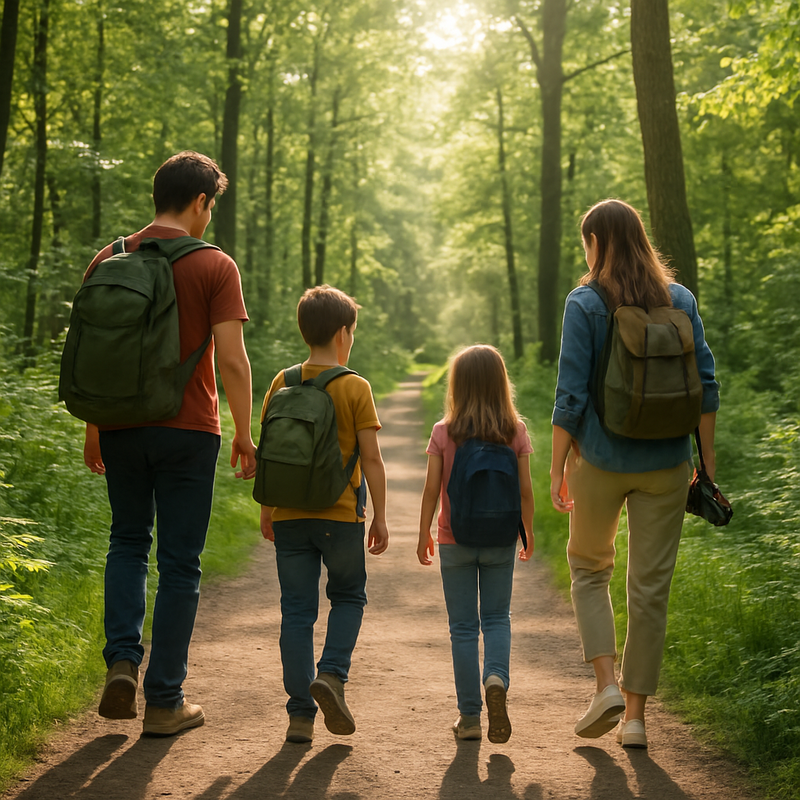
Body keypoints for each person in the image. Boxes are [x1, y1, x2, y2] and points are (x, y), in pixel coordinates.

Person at [82, 151, 256, 736]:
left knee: (128, 542)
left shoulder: (110, 257)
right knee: (179, 563)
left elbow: (95, 356)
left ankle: (123, 662)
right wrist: (245, 433)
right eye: (213, 206)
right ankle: (164, 701)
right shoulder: (214, 265)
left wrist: (94, 427)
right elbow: (231, 359)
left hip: (121, 426)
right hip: (188, 431)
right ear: (202, 201)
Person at [550, 199, 719, 749]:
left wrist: (557, 467)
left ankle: (606, 686)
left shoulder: (586, 302)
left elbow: (570, 396)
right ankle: (637, 720)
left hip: (599, 461)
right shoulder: (680, 299)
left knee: (589, 569)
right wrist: (706, 469)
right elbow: (707, 387)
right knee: (650, 590)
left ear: (596, 242)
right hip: (669, 465)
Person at [259, 285, 389, 745]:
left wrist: (267, 508)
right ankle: (331, 675)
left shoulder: (282, 382)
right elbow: (371, 459)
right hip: (340, 517)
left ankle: (299, 716)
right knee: (349, 596)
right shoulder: (355, 386)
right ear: (341, 333)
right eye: (352, 331)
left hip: (290, 513)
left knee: (296, 611)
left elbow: (271, 452)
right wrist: (380, 516)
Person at [417, 344, 534, 743]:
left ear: (458, 385)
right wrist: (528, 531)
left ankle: (469, 719)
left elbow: (432, 489)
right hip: (501, 539)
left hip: (455, 539)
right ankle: (496, 678)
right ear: (501, 384)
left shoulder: (443, 432)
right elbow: (525, 491)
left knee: (463, 628)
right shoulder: (514, 430)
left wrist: (424, 535)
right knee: (498, 618)